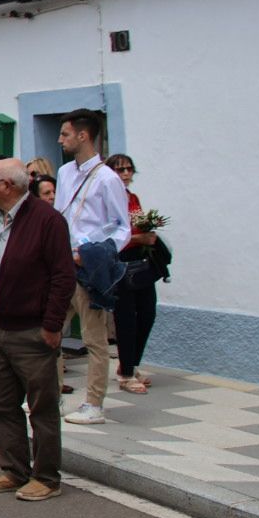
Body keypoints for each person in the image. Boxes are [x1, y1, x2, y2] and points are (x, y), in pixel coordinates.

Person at [0, 158, 75, 501]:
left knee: (42, 406)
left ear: (9, 186)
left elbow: (63, 277)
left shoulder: (47, 221)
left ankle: (46, 477)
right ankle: (14, 470)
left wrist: (52, 325)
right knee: (2, 404)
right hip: (0, 326)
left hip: (33, 330)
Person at [54, 109, 131, 426]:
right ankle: (52, 395)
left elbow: (122, 229)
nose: (61, 139)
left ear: (83, 136)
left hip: (87, 268)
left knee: (94, 339)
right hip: (61, 265)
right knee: (51, 333)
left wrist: (93, 252)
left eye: (65, 134)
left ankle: (94, 403)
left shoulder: (108, 178)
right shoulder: (64, 173)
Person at [107, 153, 162, 395]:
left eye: (129, 169)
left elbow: (136, 224)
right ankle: (127, 372)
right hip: (121, 262)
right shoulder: (109, 199)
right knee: (126, 319)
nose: (126, 174)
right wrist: (137, 237)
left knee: (148, 312)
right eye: (120, 170)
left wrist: (149, 230)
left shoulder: (133, 198)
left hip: (139, 261)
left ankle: (130, 363)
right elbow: (111, 235)